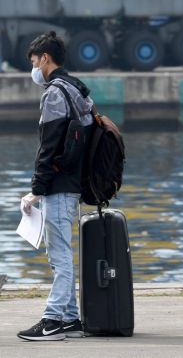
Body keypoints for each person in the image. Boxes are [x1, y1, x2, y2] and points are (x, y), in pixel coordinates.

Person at [18, 31, 95, 341]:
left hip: (59, 186)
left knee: (60, 257)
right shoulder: (77, 89)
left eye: (35, 61)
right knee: (61, 253)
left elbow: (49, 147)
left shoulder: (54, 93)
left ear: (45, 59)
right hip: (73, 183)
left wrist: (37, 189)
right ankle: (71, 319)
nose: (34, 68)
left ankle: (52, 321)